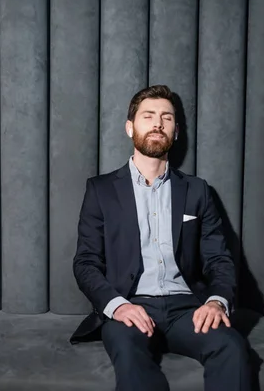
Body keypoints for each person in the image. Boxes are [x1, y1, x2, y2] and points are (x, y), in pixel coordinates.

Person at [70, 85, 251, 390]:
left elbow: (219, 258)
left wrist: (217, 302)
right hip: (130, 305)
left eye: (166, 118)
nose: (157, 123)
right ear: (130, 127)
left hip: (188, 308)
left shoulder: (197, 190)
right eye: (148, 116)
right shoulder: (100, 190)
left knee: (231, 346)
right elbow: (86, 262)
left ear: (176, 131)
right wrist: (117, 306)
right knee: (128, 357)